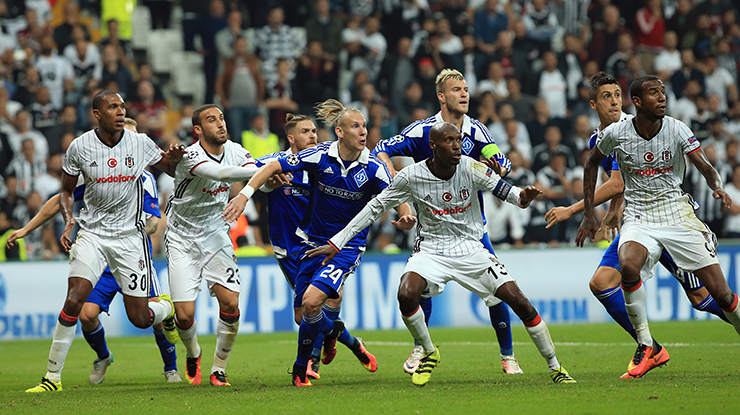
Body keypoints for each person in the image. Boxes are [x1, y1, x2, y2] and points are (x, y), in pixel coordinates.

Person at [307, 122, 576, 386]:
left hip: (471, 249)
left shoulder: (471, 167)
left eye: (459, 140)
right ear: (433, 147)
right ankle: (428, 350)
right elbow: (375, 207)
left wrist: (525, 198)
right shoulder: (411, 175)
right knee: (406, 293)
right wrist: (338, 241)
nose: (458, 145)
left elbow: (510, 193)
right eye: (450, 141)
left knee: (520, 302)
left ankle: (554, 365)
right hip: (432, 250)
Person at [545, 73, 730, 374]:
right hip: (639, 224)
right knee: (602, 284)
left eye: (617, 94)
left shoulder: (635, 127)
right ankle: (649, 346)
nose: (614, 101)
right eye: (606, 96)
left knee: (702, 297)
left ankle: (654, 346)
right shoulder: (601, 139)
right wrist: (613, 210)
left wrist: (575, 210)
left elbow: (617, 183)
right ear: (592, 103)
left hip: (668, 218)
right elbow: (621, 180)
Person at [222, 99, 413, 387]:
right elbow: (266, 166)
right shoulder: (319, 157)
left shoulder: (372, 167)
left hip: (346, 247)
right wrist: (245, 194)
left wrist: (407, 214)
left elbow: (395, 193)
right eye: (356, 126)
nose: (363, 132)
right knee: (305, 315)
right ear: (339, 131)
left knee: (314, 302)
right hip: (306, 243)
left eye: (365, 126)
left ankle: (303, 367)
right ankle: (344, 338)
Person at [25, 90, 185, 393]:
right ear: (97, 114)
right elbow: (65, 191)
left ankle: (166, 310)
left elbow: (169, 169)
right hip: (93, 234)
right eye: (113, 107)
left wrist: (174, 161)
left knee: (140, 318)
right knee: (75, 299)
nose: (120, 111)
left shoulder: (139, 142)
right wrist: (69, 218)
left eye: (123, 106)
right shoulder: (79, 147)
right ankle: (51, 378)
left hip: (129, 239)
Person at [372, 68, 522, 375]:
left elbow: (500, 161)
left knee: (496, 292)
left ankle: (508, 356)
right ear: (442, 96)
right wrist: (397, 191)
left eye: (466, 89)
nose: (464, 94)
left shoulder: (477, 130)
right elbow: (380, 150)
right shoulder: (422, 131)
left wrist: (499, 167)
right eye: (457, 90)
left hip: (471, 230)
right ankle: (421, 348)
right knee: (419, 288)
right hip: (433, 229)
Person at [165, 104, 265, 387]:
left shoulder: (236, 149)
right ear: (198, 130)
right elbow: (224, 175)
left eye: (221, 118)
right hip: (181, 238)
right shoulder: (190, 156)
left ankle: (218, 368)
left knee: (231, 304)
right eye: (212, 120)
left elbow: (252, 171)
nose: (220, 123)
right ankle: (193, 352)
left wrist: (266, 175)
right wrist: (268, 169)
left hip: (215, 234)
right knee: (184, 316)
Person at [254, 114, 329, 379]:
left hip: (319, 246)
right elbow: (252, 172)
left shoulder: (323, 164)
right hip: (287, 249)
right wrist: (267, 182)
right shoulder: (274, 163)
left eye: (314, 131)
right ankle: (337, 335)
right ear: (291, 138)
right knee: (302, 316)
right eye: (306, 131)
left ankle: (313, 360)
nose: (313, 136)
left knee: (326, 299)